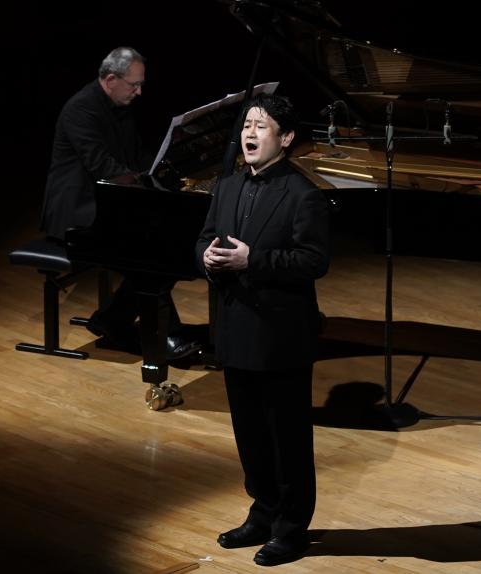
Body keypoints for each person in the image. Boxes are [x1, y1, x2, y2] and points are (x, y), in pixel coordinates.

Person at [195, 93, 330, 567]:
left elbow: (314, 261)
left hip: (281, 336)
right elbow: (204, 236)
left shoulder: (303, 194)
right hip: (235, 330)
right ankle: (263, 510)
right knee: (249, 432)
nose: (249, 133)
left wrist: (255, 261)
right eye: (247, 124)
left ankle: (291, 527)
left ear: (286, 138)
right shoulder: (226, 186)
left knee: (287, 437)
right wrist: (207, 259)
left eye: (261, 126)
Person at [40, 46, 197, 359]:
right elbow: (104, 167)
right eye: (134, 85)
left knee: (168, 247)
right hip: (77, 209)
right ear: (110, 79)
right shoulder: (80, 110)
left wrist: (164, 169)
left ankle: (113, 320)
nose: (139, 92)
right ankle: (159, 332)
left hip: (109, 202)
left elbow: (135, 157)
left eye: (141, 85)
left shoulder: (120, 105)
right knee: (152, 254)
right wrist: (145, 188)